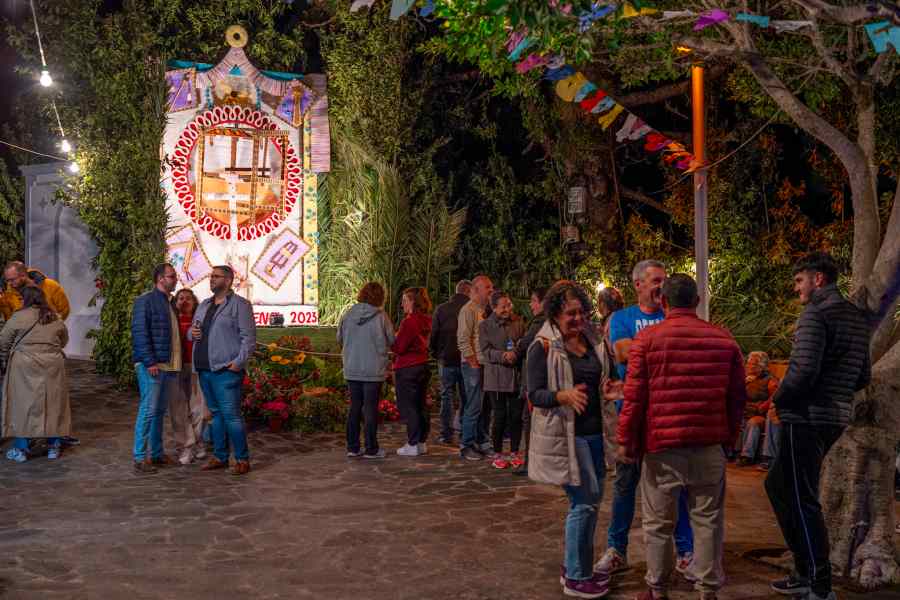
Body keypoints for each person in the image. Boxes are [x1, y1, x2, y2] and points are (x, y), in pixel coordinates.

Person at [617, 273, 747, 600]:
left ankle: (657, 589)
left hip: (662, 447)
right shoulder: (724, 340)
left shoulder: (647, 341)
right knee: (708, 521)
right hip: (709, 445)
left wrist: (626, 443)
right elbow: (736, 398)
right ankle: (707, 591)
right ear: (698, 301)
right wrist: (730, 439)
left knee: (658, 523)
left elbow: (634, 399)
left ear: (663, 301)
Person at [765, 252, 871, 600]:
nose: (796, 288)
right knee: (779, 486)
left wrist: (780, 398)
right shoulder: (855, 317)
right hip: (834, 416)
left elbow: (803, 370)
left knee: (801, 498)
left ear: (818, 279)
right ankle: (803, 570)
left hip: (806, 417)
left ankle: (819, 584)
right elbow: (862, 376)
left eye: (800, 281)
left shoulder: (816, 312)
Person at [597, 260, 695, 577]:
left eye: (664, 280)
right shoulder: (622, 318)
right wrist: (667, 347)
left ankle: (686, 551)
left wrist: (647, 350)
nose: (661, 286)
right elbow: (623, 353)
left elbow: (680, 359)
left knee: (676, 486)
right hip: (632, 415)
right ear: (638, 284)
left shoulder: (672, 314)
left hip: (667, 415)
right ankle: (617, 550)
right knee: (625, 484)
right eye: (655, 280)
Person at [527, 280, 619, 599]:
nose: (578, 319)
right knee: (584, 502)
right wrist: (563, 396)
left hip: (596, 434)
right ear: (555, 314)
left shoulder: (594, 340)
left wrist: (610, 388)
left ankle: (574, 567)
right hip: (567, 437)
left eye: (581, 312)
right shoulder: (542, 346)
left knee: (591, 503)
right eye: (570, 314)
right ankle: (577, 578)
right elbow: (534, 394)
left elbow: (607, 377)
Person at [190, 265, 256, 476]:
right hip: (204, 368)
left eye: (216, 276)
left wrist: (238, 363)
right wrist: (192, 333)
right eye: (211, 276)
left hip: (226, 370)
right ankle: (220, 456)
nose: (212, 279)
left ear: (228, 281)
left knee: (231, 416)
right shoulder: (204, 305)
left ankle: (242, 460)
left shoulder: (240, 305)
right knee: (216, 415)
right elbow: (192, 332)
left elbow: (249, 339)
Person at [1, 286, 70, 462]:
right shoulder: (54, 317)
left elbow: (3, 342)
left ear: (25, 299)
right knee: (53, 404)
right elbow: (64, 340)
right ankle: (54, 446)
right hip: (52, 365)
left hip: (24, 365)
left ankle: (21, 449)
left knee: (22, 405)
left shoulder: (18, 317)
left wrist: (4, 360)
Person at [130, 263, 181, 474]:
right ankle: (140, 457)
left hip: (167, 365)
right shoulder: (145, 301)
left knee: (159, 411)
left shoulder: (169, 303)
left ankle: (157, 454)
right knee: (148, 411)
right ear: (160, 279)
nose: (175, 279)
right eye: (172, 276)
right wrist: (149, 361)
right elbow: (140, 333)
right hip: (152, 365)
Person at [337, 282, 395, 459]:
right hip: (374, 369)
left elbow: (339, 338)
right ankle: (371, 449)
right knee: (370, 409)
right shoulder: (381, 316)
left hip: (352, 367)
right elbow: (392, 340)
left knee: (354, 407)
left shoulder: (348, 314)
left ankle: (353, 447)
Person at [478, 290, 526, 470]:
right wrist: (503, 355)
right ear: (494, 307)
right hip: (496, 378)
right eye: (503, 306)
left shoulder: (518, 322)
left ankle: (514, 451)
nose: (507, 309)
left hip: (515, 377)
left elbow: (523, 342)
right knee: (499, 416)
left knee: (516, 416)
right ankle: (497, 453)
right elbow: (485, 351)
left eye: (509, 305)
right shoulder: (485, 326)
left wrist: (516, 353)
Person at [429, 279, 471, 444]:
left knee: (446, 396)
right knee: (466, 397)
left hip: (446, 359)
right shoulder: (472, 309)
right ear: (468, 291)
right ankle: (465, 432)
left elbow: (434, 334)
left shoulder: (442, 309)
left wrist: (436, 353)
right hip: (467, 359)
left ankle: (446, 434)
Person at [457, 274, 494, 461]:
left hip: (485, 364)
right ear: (476, 290)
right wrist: (472, 361)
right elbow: (463, 338)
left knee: (484, 406)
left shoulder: (485, 310)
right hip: (474, 365)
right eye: (488, 287)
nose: (491, 291)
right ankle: (467, 444)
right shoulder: (468, 310)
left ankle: (483, 441)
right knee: (473, 405)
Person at [393, 287, 433, 457]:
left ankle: (413, 442)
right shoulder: (427, 320)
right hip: (422, 364)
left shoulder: (409, 322)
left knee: (409, 406)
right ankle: (421, 441)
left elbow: (399, 347)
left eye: (405, 300)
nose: (402, 304)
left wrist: (393, 338)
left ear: (413, 302)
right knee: (420, 404)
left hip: (407, 367)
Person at [512, 286, 547, 476]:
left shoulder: (540, 321)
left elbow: (525, 343)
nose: (531, 305)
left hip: (534, 378)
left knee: (530, 419)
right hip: (541, 377)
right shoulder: (549, 321)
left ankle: (530, 462)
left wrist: (518, 347)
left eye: (534, 301)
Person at [170, 288, 207, 465]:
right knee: (179, 410)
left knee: (198, 408)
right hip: (175, 368)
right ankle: (186, 446)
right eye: (180, 298)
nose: (184, 301)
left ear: (194, 302)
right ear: (176, 302)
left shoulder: (200, 321)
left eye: (188, 298)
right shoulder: (171, 320)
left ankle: (198, 442)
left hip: (195, 367)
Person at [737, 351, 779, 467]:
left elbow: (775, 396)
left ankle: (747, 456)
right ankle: (730, 452)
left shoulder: (770, 380)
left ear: (763, 366)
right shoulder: (744, 378)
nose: (749, 366)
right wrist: (743, 383)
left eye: (754, 364)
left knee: (753, 423)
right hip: (743, 411)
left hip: (759, 414)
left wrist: (761, 408)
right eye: (748, 363)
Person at [1, 261, 70, 322]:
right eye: (7, 280)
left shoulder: (50, 285)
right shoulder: (7, 294)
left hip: (49, 329)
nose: (9, 283)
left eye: (12, 280)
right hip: (23, 331)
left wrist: (52, 325)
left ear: (23, 275)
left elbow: (64, 310)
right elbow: (8, 318)